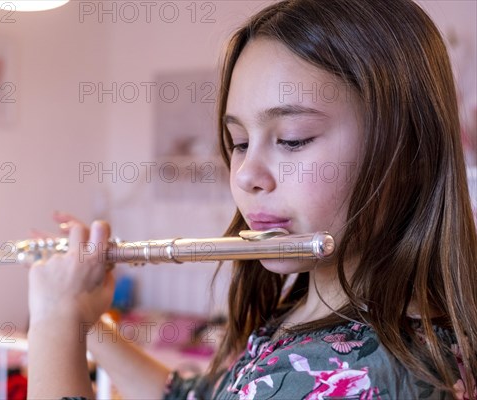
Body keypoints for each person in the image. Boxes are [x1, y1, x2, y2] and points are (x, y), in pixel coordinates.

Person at [26, 0, 477, 398]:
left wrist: (53, 323)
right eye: (240, 141)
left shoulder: (348, 374)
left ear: (407, 148)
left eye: (293, 139)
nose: (245, 175)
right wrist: (87, 320)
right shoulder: (314, 310)